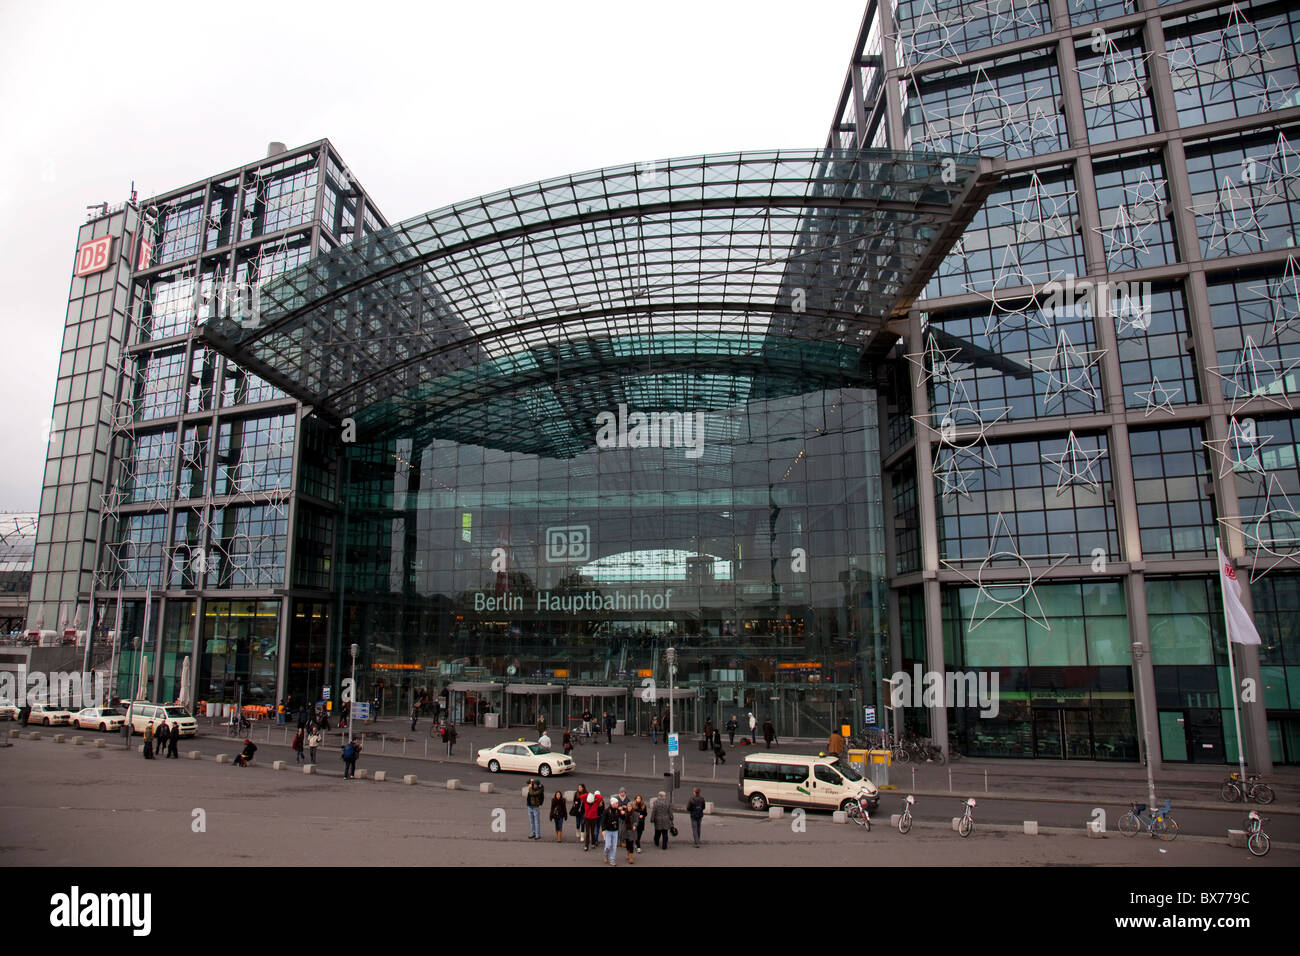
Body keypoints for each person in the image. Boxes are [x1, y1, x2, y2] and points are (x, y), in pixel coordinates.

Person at [601, 796, 622, 866]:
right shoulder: (606, 811)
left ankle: (612, 860)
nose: (617, 805)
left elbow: (622, 818)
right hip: (608, 831)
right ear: (612, 804)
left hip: (615, 831)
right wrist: (603, 829)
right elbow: (603, 821)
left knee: (614, 846)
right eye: (616, 803)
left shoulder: (617, 811)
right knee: (608, 845)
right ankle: (606, 854)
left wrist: (623, 814)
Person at [620, 797, 638, 864]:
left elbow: (636, 821)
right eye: (628, 806)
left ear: (632, 807)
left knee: (631, 844)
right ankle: (628, 853)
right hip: (625, 830)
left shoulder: (635, 814)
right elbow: (622, 818)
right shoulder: (625, 813)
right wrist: (621, 814)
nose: (629, 808)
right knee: (627, 844)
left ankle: (631, 857)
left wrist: (634, 825)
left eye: (630, 807)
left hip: (631, 831)